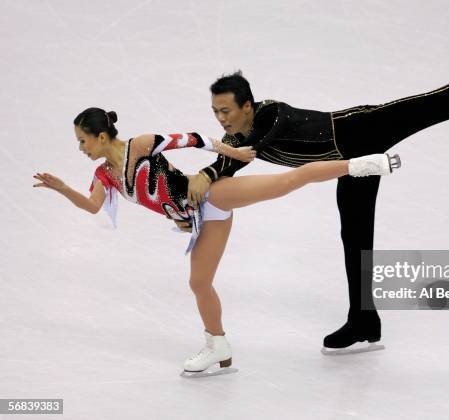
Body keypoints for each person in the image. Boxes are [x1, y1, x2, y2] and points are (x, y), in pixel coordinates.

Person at [185, 60, 449, 352]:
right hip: (351, 167)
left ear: (247, 106)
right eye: (216, 112)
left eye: (226, 111)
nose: (221, 119)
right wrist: (196, 200)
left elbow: (243, 155)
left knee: (441, 101)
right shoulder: (235, 135)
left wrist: (209, 170)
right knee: (354, 236)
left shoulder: (267, 115)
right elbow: (228, 167)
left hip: (364, 127)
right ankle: (364, 319)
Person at [32, 107, 401, 374]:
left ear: (101, 136)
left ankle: (363, 165)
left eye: (82, 141)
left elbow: (194, 140)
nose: (80, 148)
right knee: (199, 282)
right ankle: (217, 345)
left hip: (210, 198)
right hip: (199, 223)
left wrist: (236, 153)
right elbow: (94, 207)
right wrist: (63, 188)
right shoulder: (105, 174)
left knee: (287, 182)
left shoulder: (141, 145)